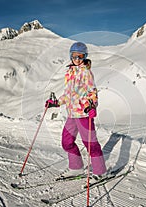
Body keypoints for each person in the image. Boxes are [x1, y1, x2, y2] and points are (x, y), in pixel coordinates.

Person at [45, 42, 107, 179]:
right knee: (66, 142)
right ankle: (76, 168)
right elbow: (68, 94)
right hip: (72, 114)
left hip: (83, 114)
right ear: (71, 56)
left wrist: (92, 106)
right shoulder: (70, 73)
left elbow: (92, 92)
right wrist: (56, 103)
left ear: (84, 57)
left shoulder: (86, 73)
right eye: (74, 56)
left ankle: (100, 171)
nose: (77, 59)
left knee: (91, 144)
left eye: (80, 57)